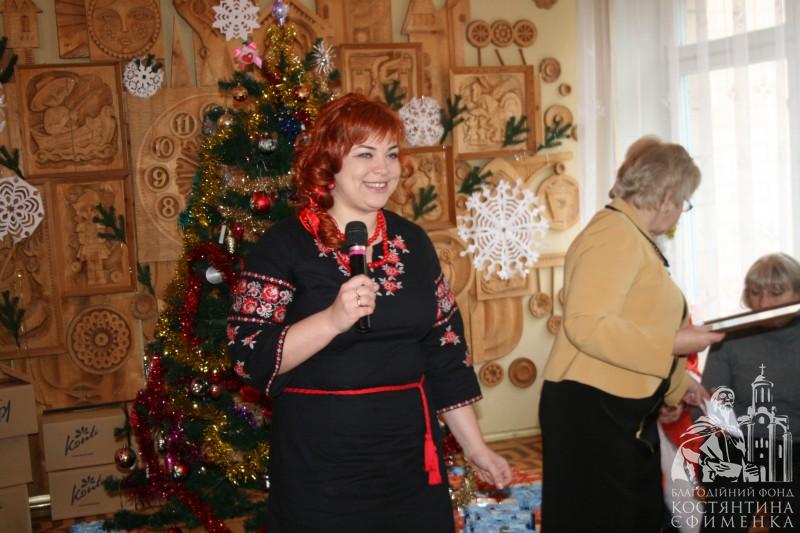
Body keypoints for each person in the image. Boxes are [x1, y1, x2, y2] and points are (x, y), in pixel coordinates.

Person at [227, 93, 511, 532]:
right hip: (320, 468)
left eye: (391, 154)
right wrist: (331, 321)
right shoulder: (283, 246)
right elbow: (249, 355)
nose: (383, 169)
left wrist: (476, 449)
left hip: (409, 462)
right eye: (365, 154)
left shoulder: (413, 242)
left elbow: (445, 353)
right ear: (329, 162)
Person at [539, 136, 724, 532]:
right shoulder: (613, 234)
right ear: (667, 197)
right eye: (684, 202)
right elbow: (586, 324)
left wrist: (679, 387)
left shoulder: (630, 234)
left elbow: (639, 323)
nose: (680, 212)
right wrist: (674, 343)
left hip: (613, 408)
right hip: (591, 410)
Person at [699, 253, 800, 531]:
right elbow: (711, 402)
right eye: (755, 293)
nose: (763, 304)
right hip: (741, 442)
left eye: (776, 294)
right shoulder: (731, 334)